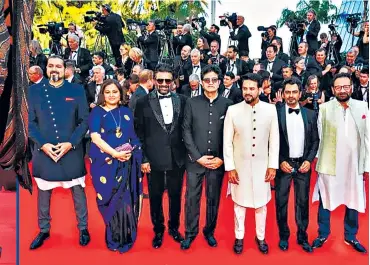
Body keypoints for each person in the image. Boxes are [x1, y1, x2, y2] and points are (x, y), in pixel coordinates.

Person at [28, 55, 90, 249]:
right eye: (51, 66)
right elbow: (29, 123)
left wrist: (70, 144)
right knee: (44, 193)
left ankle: (83, 228)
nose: (54, 69)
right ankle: (44, 229)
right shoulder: (33, 91)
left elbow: (84, 121)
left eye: (58, 66)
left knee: (78, 192)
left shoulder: (77, 90)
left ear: (66, 70)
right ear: (46, 69)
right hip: (44, 150)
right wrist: (43, 145)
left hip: (70, 150)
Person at [311, 73, 369, 253]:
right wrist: (318, 163)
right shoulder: (325, 108)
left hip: (353, 164)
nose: (342, 90)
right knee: (326, 199)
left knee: (353, 198)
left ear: (351, 87)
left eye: (345, 87)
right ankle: (323, 233)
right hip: (330, 162)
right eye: (338, 87)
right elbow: (320, 137)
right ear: (332, 89)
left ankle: (350, 235)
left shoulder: (362, 107)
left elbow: (367, 137)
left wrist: (367, 165)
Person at [223, 73, 279, 255]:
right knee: (239, 204)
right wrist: (230, 167)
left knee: (261, 205)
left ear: (260, 89)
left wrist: (273, 165)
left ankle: (260, 237)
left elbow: (274, 140)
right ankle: (239, 236)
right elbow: (227, 142)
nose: (248, 92)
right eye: (245, 88)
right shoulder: (233, 110)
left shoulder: (271, 110)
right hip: (239, 167)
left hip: (262, 167)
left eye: (252, 88)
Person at [134, 64, 188, 249]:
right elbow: (138, 133)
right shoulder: (142, 102)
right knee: (155, 196)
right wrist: (143, 159)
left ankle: (174, 227)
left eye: (168, 80)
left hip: (177, 157)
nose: (164, 84)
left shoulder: (182, 100)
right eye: (160, 80)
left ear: (173, 82)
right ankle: (158, 229)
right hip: (153, 158)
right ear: (154, 80)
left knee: (175, 195)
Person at [181, 65, 232, 250]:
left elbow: (232, 135)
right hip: (195, 161)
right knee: (191, 198)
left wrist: (223, 159)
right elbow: (185, 131)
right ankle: (190, 233)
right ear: (202, 82)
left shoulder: (228, 105)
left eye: (214, 80)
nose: (210, 83)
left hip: (217, 162)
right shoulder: (192, 103)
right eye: (207, 80)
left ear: (219, 82)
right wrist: (197, 157)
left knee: (213, 199)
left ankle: (209, 231)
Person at [88, 79, 142, 253]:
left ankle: (125, 236)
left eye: (115, 91)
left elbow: (133, 136)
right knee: (109, 199)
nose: (111, 95)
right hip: (104, 163)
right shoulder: (97, 112)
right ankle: (112, 237)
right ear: (102, 94)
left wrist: (134, 152)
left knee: (124, 201)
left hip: (126, 162)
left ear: (121, 94)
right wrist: (114, 154)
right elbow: (96, 138)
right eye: (108, 92)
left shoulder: (126, 112)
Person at [275, 77, 319, 253]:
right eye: (288, 92)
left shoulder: (310, 114)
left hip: (303, 165)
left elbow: (315, 141)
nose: (291, 96)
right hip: (283, 165)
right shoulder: (276, 113)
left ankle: (302, 236)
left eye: (294, 92)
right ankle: (284, 236)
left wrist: (308, 160)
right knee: (281, 202)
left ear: (300, 93)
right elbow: (270, 141)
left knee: (302, 203)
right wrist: (280, 161)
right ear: (283, 94)